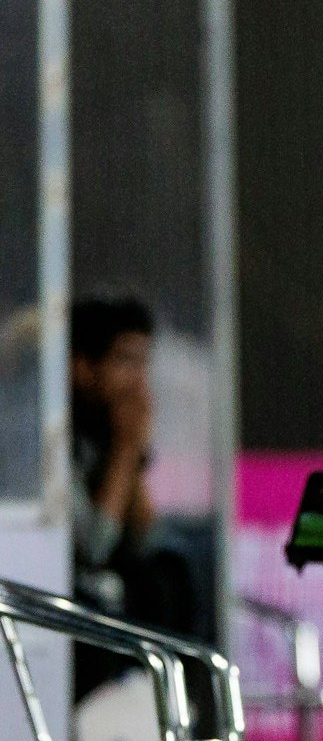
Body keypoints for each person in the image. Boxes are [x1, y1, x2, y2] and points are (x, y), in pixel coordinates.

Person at [68, 296, 197, 699]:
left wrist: (133, 451)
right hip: (67, 598)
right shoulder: (55, 436)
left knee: (171, 571)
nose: (138, 380)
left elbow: (144, 537)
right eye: (125, 362)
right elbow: (93, 546)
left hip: (109, 597)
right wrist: (125, 451)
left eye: (144, 364)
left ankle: (171, 703)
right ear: (82, 367)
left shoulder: (109, 433)